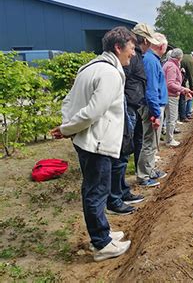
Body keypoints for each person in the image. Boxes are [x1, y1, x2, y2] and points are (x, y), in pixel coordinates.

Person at [51, 27, 135, 261]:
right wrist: (67, 129)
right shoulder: (109, 73)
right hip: (97, 142)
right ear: (118, 47)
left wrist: (67, 126)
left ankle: (104, 232)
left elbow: (69, 102)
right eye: (131, 48)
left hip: (87, 140)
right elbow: (92, 113)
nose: (133, 54)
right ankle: (102, 244)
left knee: (96, 189)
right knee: (96, 192)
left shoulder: (89, 68)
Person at [105, 23, 160, 215]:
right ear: (144, 40)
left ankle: (122, 191)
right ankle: (115, 198)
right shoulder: (130, 57)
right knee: (121, 153)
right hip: (127, 107)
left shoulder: (136, 55)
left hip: (133, 106)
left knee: (127, 150)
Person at [136, 32, 168, 186]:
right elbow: (151, 89)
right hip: (152, 107)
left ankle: (150, 170)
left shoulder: (151, 59)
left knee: (152, 141)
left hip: (154, 106)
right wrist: (155, 112)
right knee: (149, 141)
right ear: (162, 46)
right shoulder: (151, 61)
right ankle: (144, 176)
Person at [163, 48, 193, 147]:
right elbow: (170, 84)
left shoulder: (170, 64)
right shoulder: (172, 66)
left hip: (168, 94)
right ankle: (169, 140)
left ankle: (168, 139)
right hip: (171, 95)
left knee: (169, 118)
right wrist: (183, 89)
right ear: (179, 57)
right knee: (171, 118)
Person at [179, 49, 193, 122]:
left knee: (180, 99)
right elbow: (191, 77)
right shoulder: (190, 61)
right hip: (180, 81)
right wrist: (192, 90)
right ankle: (183, 117)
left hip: (178, 79)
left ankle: (182, 115)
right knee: (182, 98)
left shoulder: (185, 56)